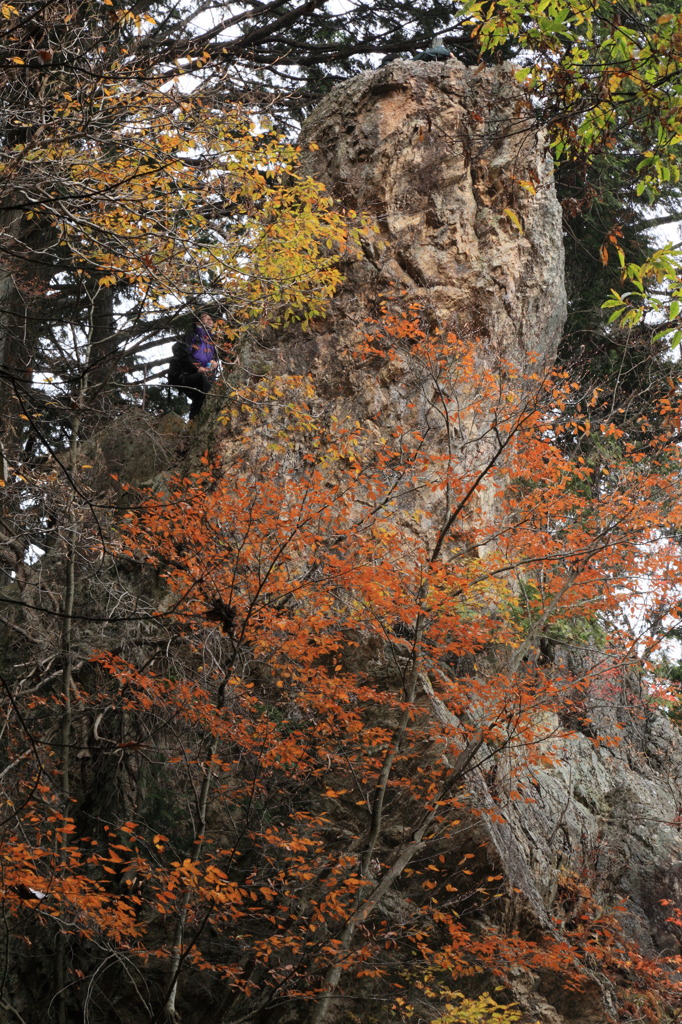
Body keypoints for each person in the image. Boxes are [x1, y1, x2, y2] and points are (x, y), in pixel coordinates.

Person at [168, 311, 219, 420]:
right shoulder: (191, 336)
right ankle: (204, 416)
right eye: (206, 318)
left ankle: (194, 421)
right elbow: (183, 354)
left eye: (211, 319)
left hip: (205, 375)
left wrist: (214, 362)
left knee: (200, 398)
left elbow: (212, 358)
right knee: (206, 383)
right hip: (188, 375)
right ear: (197, 322)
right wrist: (196, 367)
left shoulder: (211, 341)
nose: (210, 320)